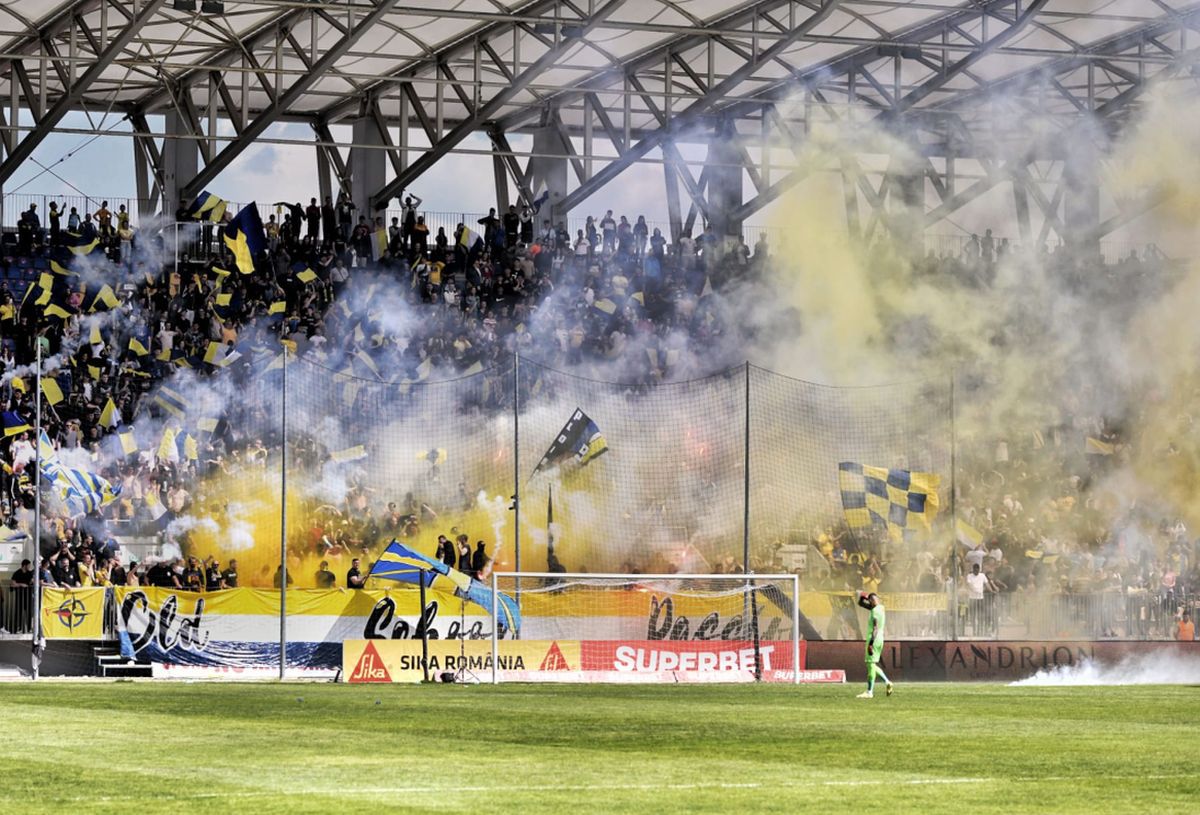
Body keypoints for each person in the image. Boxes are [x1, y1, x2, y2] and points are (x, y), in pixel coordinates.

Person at [857, 592, 892, 699]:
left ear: (872, 601)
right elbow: (861, 604)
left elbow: (875, 628)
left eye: (871, 600)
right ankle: (887, 682)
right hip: (880, 639)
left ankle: (869, 692)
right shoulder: (880, 608)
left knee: (870, 664)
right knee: (872, 664)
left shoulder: (875, 611)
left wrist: (871, 644)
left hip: (874, 638)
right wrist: (864, 598)